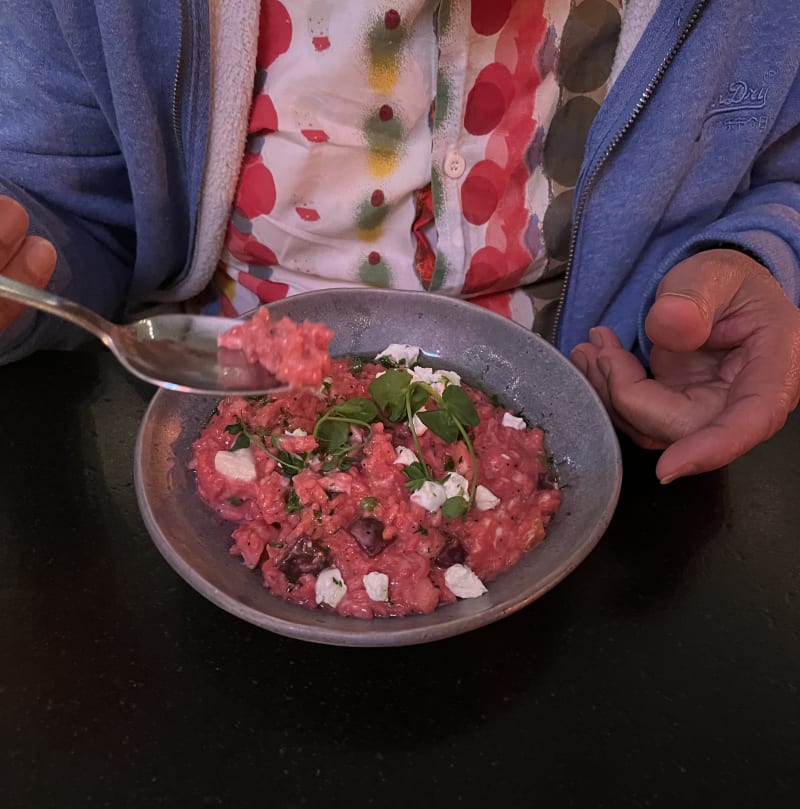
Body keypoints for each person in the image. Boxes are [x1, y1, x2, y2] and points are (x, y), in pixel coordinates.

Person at [1, 1, 799, 485]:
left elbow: (784, 176)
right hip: (207, 411)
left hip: (612, 442)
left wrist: (759, 256)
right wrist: (25, 257)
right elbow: (62, 206)